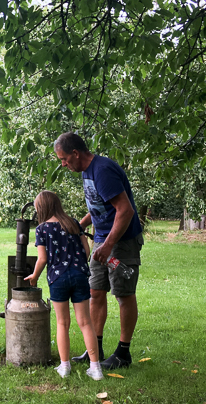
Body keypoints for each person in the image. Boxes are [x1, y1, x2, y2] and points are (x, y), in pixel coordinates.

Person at [53, 132, 144, 370]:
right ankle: (95, 348)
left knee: (123, 295)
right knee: (95, 292)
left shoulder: (102, 170)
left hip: (121, 242)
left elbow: (125, 211)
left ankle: (123, 353)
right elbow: (99, 206)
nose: (63, 164)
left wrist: (109, 244)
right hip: (103, 241)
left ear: (76, 153)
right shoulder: (86, 172)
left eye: (64, 159)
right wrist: (81, 225)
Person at [24, 191, 103, 380]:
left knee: (62, 323)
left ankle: (65, 366)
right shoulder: (73, 223)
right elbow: (86, 249)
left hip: (57, 279)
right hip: (80, 276)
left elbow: (42, 259)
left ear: (41, 208)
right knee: (85, 322)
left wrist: (34, 275)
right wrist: (78, 264)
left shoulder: (42, 229)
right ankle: (96, 368)